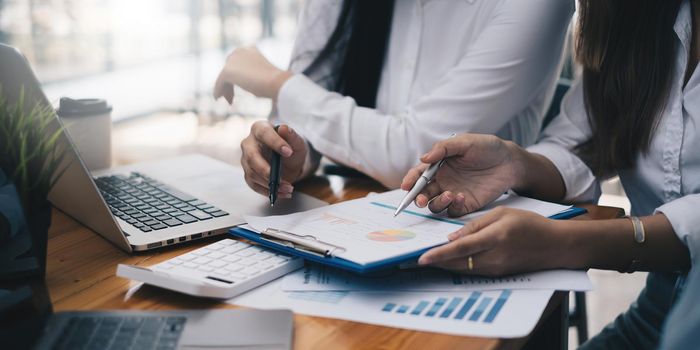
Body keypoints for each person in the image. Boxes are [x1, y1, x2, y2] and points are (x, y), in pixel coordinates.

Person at [400, 1, 698, 349]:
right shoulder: (638, 14)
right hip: (659, 309)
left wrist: (563, 244)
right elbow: (582, 139)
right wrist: (515, 164)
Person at [213, 0, 574, 196]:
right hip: (351, 218)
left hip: (481, 239)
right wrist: (291, 155)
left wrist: (275, 81)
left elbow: (417, 155)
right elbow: (304, 113)